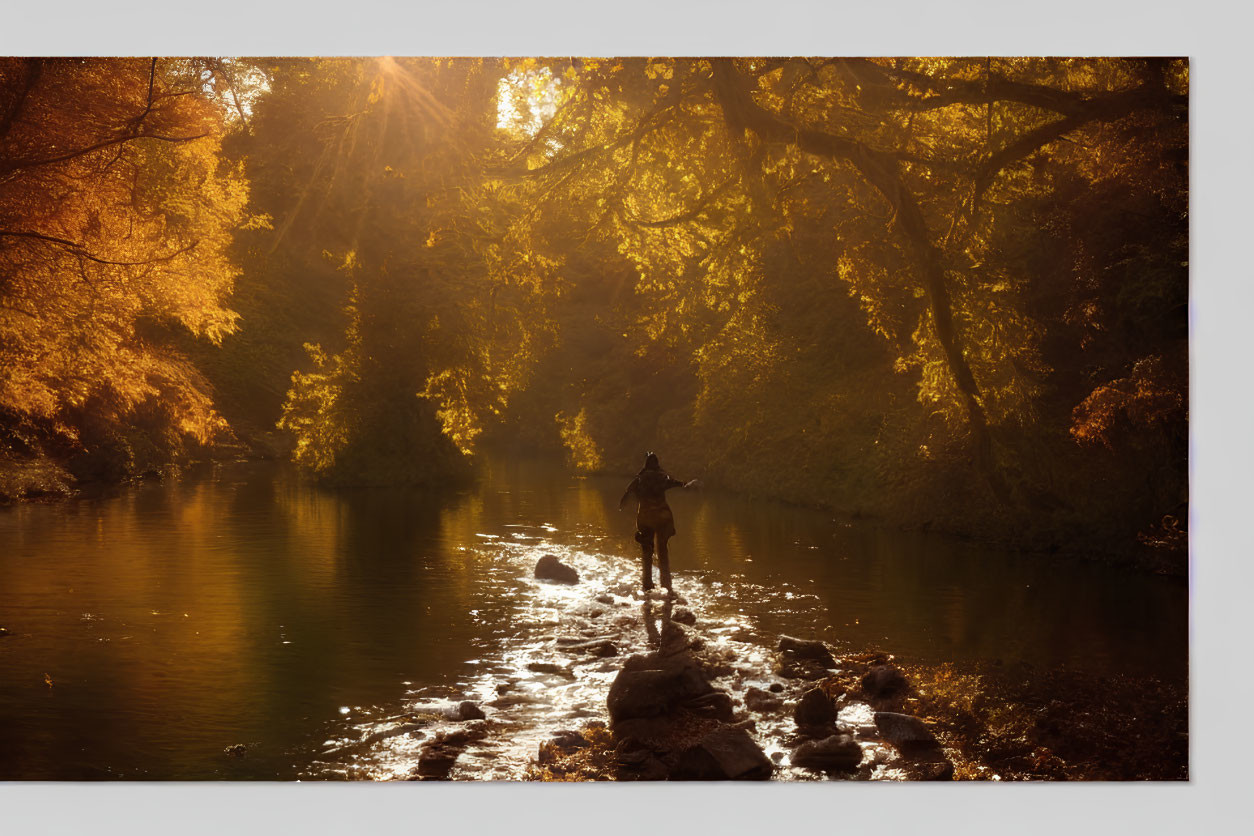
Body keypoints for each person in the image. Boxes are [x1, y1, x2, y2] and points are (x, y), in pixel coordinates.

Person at [618, 452, 698, 593]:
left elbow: (625, 498)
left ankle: (647, 584)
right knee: (663, 550)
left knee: (647, 550)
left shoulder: (639, 480)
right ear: (657, 465)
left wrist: (622, 508)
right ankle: (666, 585)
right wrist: (688, 484)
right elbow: (679, 484)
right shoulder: (662, 478)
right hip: (663, 518)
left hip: (645, 518)